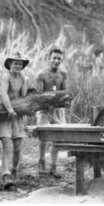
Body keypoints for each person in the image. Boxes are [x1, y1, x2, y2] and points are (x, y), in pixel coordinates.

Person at [0, 52, 29, 189]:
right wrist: (10, 109)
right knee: (7, 145)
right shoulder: (6, 76)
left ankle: (14, 169)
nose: (18, 66)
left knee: (17, 148)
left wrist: (25, 81)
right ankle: (6, 175)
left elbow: (23, 96)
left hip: (18, 116)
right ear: (10, 64)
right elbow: (3, 93)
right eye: (15, 63)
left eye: (20, 64)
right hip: (5, 114)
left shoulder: (22, 77)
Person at [35, 48, 67, 178]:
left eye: (59, 58)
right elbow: (38, 96)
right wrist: (48, 108)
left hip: (58, 109)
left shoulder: (63, 74)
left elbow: (65, 93)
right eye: (54, 58)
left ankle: (53, 166)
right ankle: (41, 161)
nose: (56, 61)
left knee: (57, 138)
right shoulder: (41, 75)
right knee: (43, 137)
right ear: (49, 58)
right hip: (44, 109)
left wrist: (58, 103)